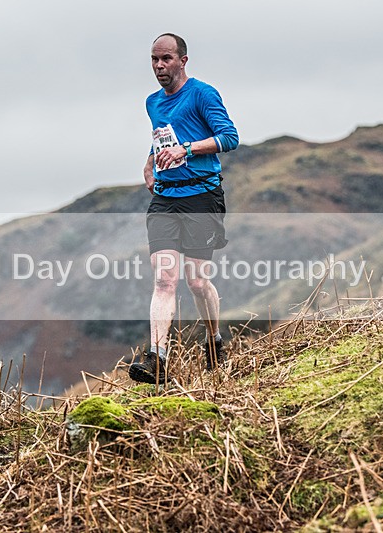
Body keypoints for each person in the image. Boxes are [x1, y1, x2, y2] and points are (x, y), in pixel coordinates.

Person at [128, 33, 239, 384]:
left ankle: (213, 340)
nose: (160, 66)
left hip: (201, 197)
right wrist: (150, 162)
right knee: (164, 278)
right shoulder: (152, 102)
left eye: (166, 59)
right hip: (165, 197)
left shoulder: (203, 94)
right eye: (154, 60)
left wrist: (187, 151)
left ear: (183, 60)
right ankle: (156, 359)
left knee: (196, 281)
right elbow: (163, 136)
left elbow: (229, 137)